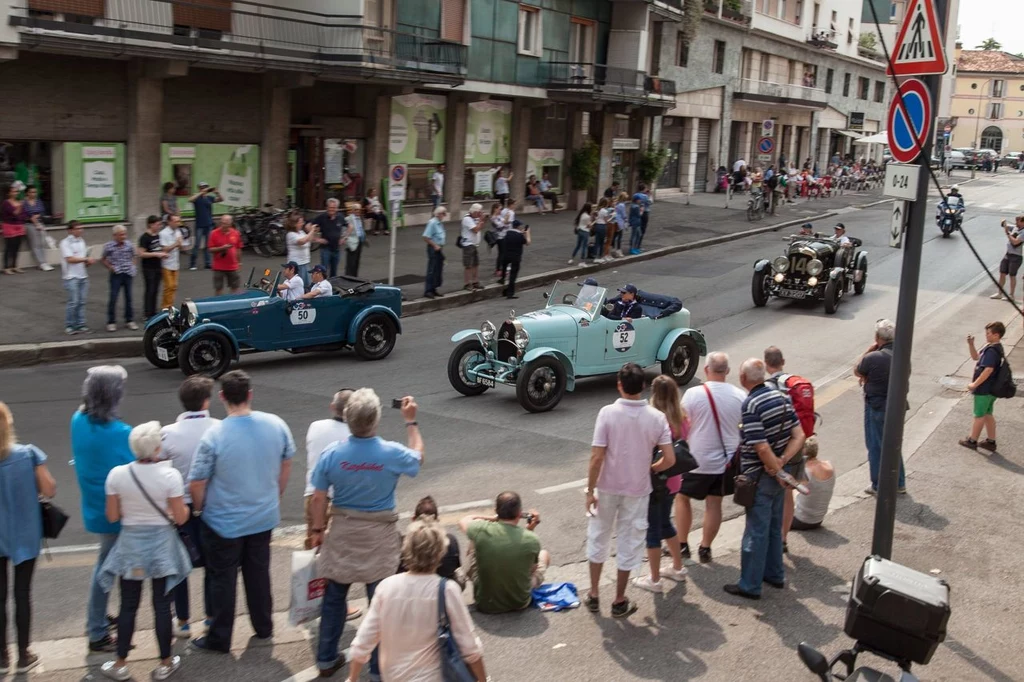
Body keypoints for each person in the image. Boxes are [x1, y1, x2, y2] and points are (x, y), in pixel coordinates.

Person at [308, 390, 423, 678]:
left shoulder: (332, 454)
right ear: (377, 419)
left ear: (346, 419)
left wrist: (317, 530)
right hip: (379, 535)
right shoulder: (391, 452)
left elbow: (319, 498)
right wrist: (411, 422)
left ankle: (325, 659)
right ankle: (377, 669)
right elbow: (418, 458)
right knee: (380, 602)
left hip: (343, 531)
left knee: (334, 597)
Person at [188, 370, 295, 654]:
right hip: (262, 517)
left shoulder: (214, 435)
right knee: (258, 574)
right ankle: (264, 626)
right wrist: (276, 493)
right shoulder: (276, 424)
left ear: (222, 397)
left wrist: (200, 509)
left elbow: (197, 481)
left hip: (223, 521)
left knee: (223, 579)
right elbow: (287, 462)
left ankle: (220, 638)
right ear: (250, 394)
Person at [98, 421, 191, 682]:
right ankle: (164, 663)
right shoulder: (170, 476)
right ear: (157, 448)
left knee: (128, 605)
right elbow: (182, 517)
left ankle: (120, 663)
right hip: (161, 545)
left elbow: (113, 515)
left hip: (131, 547)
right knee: (162, 605)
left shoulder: (117, 475)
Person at [341, 520, 485, 682]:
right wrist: (482, 679)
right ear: (439, 554)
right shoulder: (447, 589)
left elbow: (363, 642)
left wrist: (352, 678)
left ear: (407, 550)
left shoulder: (386, 587)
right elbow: (470, 647)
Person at [585, 363, 675, 618]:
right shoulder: (656, 418)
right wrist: (649, 468)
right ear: (643, 386)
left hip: (607, 486)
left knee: (598, 535)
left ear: (619, 385)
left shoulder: (607, 413)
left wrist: (589, 490)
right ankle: (619, 599)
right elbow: (669, 459)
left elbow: (596, 457)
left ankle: (593, 594)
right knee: (629, 540)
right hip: (637, 489)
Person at [723, 359, 805, 600]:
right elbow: (798, 435)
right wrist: (783, 462)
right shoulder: (782, 397)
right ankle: (775, 574)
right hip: (779, 477)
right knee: (773, 526)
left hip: (759, 477)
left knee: (756, 531)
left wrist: (775, 467)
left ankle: (750, 584)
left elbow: (760, 447)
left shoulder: (751, 404)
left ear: (744, 379)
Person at [70, 365, 135, 653]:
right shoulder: (121, 433)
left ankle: (99, 617)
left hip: (94, 504)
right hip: (117, 510)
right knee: (108, 570)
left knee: (105, 562)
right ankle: (96, 631)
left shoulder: (77, 420)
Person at [160, 377, 219, 639]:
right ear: (206, 401)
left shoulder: (168, 433)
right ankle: (210, 617)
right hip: (212, 506)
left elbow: (156, 466)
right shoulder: (219, 428)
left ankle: (183, 621)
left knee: (181, 564)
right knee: (212, 564)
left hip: (180, 508)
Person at [0, 402, 57, 674]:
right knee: (22, 593)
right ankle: (24, 654)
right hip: (25, 532)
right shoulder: (28, 454)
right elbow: (50, 489)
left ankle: (1, 656)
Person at [677, 352, 746, 564]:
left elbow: (682, 424)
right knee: (714, 505)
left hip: (696, 460)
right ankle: (705, 548)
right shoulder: (740, 396)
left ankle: (681, 546)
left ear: (706, 370)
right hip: (725, 463)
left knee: (682, 498)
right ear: (727, 371)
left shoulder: (692, 394)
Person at [633, 376, 689, 593]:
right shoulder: (683, 418)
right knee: (665, 523)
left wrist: (650, 468)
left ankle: (654, 579)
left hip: (656, 481)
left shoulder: (655, 419)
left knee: (652, 530)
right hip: (674, 481)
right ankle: (677, 567)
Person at [458, 492, 550, 613]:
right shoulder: (532, 539)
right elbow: (531, 570)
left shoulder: (481, 529)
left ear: (496, 510)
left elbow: (464, 520)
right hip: (520, 602)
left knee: (473, 543)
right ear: (519, 513)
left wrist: (492, 518)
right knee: (544, 554)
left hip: (486, 604)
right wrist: (530, 530)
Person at [854, 320, 906, 494]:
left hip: (877, 406)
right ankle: (899, 483)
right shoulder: (902, 355)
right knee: (893, 444)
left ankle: (878, 485)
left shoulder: (873, 357)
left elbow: (857, 370)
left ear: (877, 338)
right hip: (897, 406)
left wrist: (869, 350)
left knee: (876, 445)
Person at [303, 389, 352, 551]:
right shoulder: (355, 436)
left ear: (332, 407)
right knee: (340, 549)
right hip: (342, 498)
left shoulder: (315, 426)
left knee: (313, 548)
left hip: (314, 495)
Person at [960, 321, 1006, 451]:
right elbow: (976, 357)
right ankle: (991, 442)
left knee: (979, 415)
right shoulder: (994, 347)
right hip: (991, 389)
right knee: (987, 414)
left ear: (996, 335)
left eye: (988, 333)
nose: (986, 335)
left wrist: (974, 384)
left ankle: (972, 440)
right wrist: (971, 345)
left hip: (984, 389)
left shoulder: (991, 351)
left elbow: (988, 370)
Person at [401, 497, 462, 584]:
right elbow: (455, 567)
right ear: (437, 520)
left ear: (413, 519)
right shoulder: (450, 540)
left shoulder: (403, 542)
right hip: (442, 586)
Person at [785, 437, 834, 532]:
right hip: (818, 519)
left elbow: (789, 486)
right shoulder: (829, 465)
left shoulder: (806, 471)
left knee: (785, 494)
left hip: (802, 521)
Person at [60, 221, 95, 335]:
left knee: (82, 302)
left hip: (82, 275)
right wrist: (85, 259)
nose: (81, 230)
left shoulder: (82, 241)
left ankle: (81, 324)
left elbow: (82, 259)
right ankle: (69, 325)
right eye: (78, 228)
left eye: (81, 228)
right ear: (70, 230)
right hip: (71, 277)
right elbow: (70, 259)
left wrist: (88, 261)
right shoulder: (65, 243)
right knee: (73, 302)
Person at [101, 225, 138, 333]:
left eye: (124, 234)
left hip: (128, 274)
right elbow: (103, 259)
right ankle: (111, 322)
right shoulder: (109, 246)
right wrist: (110, 267)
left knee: (129, 298)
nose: (123, 236)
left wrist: (133, 266)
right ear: (115, 235)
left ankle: (129, 320)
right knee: (113, 298)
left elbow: (135, 256)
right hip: (116, 275)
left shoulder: (129, 245)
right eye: (121, 234)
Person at [138, 215, 167, 320]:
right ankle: (147, 313)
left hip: (157, 266)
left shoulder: (158, 236)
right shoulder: (145, 237)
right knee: (149, 289)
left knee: (155, 289)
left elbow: (161, 248)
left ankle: (153, 311)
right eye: (157, 224)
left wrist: (163, 254)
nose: (159, 226)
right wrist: (156, 254)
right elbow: (141, 253)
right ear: (151, 224)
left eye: (160, 224)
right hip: (148, 267)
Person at [188, 182, 221, 271]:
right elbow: (190, 199)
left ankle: (208, 263)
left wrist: (217, 192)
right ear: (199, 188)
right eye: (202, 187)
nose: (204, 189)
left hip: (209, 224)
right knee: (197, 245)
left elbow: (221, 199)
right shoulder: (197, 197)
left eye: (206, 187)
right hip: (199, 225)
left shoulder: (210, 198)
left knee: (208, 245)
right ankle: (193, 264)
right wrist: (201, 193)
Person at [207, 214, 243, 296]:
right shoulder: (214, 233)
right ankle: (218, 305)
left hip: (232, 266)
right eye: (222, 223)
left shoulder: (236, 233)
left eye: (226, 223)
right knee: (218, 288)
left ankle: (233, 304)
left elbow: (238, 248)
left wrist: (239, 262)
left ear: (230, 223)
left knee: (235, 287)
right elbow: (210, 249)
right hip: (218, 266)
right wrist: (222, 248)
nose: (223, 225)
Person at [158, 215, 188, 310]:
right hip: (166, 264)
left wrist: (182, 245)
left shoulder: (178, 231)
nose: (178, 223)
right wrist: (176, 244)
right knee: (169, 286)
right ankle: (165, 306)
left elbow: (181, 247)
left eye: (179, 221)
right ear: (169, 222)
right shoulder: (163, 233)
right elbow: (164, 249)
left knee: (174, 286)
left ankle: (170, 305)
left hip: (175, 263)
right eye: (176, 221)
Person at [991, 216, 1024, 301]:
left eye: (1018, 221)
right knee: (1002, 273)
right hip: (1008, 254)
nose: (1016, 223)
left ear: (1023, 222)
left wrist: (1007, 233)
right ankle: (999, 293)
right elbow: (1005, 225)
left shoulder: (1023, 232)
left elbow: (1015, 241)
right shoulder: (1015, 228)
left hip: (1016, 256)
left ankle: (1011, 295)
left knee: (1012, 275)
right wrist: (1003, 222)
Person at [21, 185, 53, 271]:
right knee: (35, 244)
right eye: (31, 192)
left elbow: (42, 211)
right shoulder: (24, 202)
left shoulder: (38, 201)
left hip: (40, 223)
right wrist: (33, 219)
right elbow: (25, 213)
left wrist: (37, 216)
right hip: (29, 224)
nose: (34, 194)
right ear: (27, 193)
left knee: (42, 243)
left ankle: (45, 262)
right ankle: (41, 263)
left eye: (35, 192)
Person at [313, 199, 345, 278]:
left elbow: (349, 226)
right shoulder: (322, 217)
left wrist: (344, 237)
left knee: (334, 271)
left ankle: (332, 287)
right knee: (323, 270)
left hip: (336, 249)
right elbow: (308, 226)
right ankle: (322, 287)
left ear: (337, 208)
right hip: (325, 249)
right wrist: (317, 239)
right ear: (327, 207)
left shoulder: (340, 217)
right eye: (330, 207)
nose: (332, 209)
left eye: (334, 207)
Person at [285, 213, 316, 289]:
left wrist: (312, 231)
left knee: (307, 285)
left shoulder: (301, 232)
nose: (302, 224)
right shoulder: (290, 234)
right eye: (300, 222)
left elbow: (310, 239)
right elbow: (302, 241)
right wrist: (311, 231)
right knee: (297, 285)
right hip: (296, 264)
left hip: (305, 262)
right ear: (294, 224)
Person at [422, 206, 447, 299]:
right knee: (432, 269)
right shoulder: (432, 223)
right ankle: (428, 290)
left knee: (438, 269)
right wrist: (434, 245)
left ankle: (434, 288)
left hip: (439, 248)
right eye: (444, 213)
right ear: (439, 214)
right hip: (433, 248)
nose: (444, 215)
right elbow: (425, 237)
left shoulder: (439, 223)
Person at [501, 219, 529, 299]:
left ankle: (503, 283)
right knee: (513, 275)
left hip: (506, 255)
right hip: (515, 257)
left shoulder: (508, 233)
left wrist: (521, 233)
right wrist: (527, 233)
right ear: (519, 226)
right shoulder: (519, 235)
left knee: (504, 271)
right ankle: (510, 293)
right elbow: (527, 242)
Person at [460, 203, 485, 291]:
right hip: (468, 245)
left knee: (475, 264)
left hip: (474, 244)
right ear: (474, 212)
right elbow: (475, 230)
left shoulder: (475, 218)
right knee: (468, 265)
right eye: (479, 212)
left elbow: (480, 228)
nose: (480, 215)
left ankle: (475, 282)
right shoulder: (467, 219)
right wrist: (481, 221)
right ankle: (467, 283)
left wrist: (481, 221)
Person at [2, 183, 25, 275]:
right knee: (9, 247)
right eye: (14, 191)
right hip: (9, 226)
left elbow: (23, 215)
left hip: (18, 226)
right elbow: (13, 214)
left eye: (17, 191)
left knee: (17, 247)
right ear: (9, 193)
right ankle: (6, 267)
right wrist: (19, 208)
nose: (16, 193)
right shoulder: (6, 203)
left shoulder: (19, 202)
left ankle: (14, 266)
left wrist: (19, 213)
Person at [342, 202, 366, 278]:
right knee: (350, 263)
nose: (358, 211)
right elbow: (343, 232)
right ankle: (349, 277)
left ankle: (355, 277)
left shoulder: (360, 218)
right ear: (352, 210)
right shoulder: (348, 219)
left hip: (360, 242)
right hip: (352, 243)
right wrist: (348, 241)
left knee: (356, 262)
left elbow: (360, 229)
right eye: (356, 210)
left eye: (359, 210)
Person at [569, 202, 593, 266]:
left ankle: (572, 258)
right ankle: (582, 262)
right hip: (585, 232)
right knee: (584, 246)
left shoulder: (582, 214)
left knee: (578, 245)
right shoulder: (588, 217)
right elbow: (589, 226)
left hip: (580, 230)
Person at [592, 198, 610, 264]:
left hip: (597, 226)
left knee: (597, 242)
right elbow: (606, 221)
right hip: (602, 226)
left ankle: (595, 257)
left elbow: (594, 218)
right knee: (602, 242)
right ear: (606, 204)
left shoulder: (597, 210)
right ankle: (600, 256)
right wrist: (610, 218)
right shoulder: (605, 211)